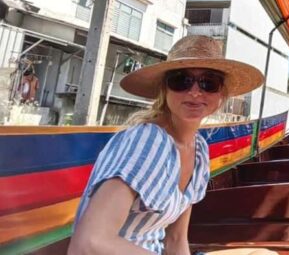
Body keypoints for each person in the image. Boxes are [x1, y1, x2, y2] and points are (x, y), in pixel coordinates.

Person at [68, 35, 264, 254]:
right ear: (165, 89)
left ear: (221, 94)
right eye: (181, 80)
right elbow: (89, 242)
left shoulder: (198, 150)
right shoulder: (148, 141)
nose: (195, 92)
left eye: (209, 83)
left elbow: (176, 239)